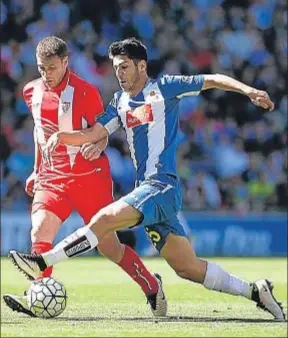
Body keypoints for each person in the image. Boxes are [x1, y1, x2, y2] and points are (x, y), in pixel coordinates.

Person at [9, 38, 285, 321]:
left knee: (103, 220)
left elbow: (212, 79)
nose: (120, 73)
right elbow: (93, 134)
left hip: (162, 185)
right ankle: (256, 291)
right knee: (187, 268)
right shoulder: (119, 103)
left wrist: (248, 90)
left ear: (142, 66)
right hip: (147, 191)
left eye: (125, 67)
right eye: (116, 68)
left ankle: (42, 261)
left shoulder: (165, 88)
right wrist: (61, 137)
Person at [3, 36, 167, 318]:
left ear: (65, 62)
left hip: (89, 178)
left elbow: (101, 131)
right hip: (52, 178)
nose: (47, 74)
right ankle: (38, 295)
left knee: (109, 248)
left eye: (52, 67)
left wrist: (97, 146)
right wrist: (36, 167)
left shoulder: (86, 92)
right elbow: (39, 132)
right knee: (39, 231)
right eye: (42, 68)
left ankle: (151, 285)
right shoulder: (31, 92)